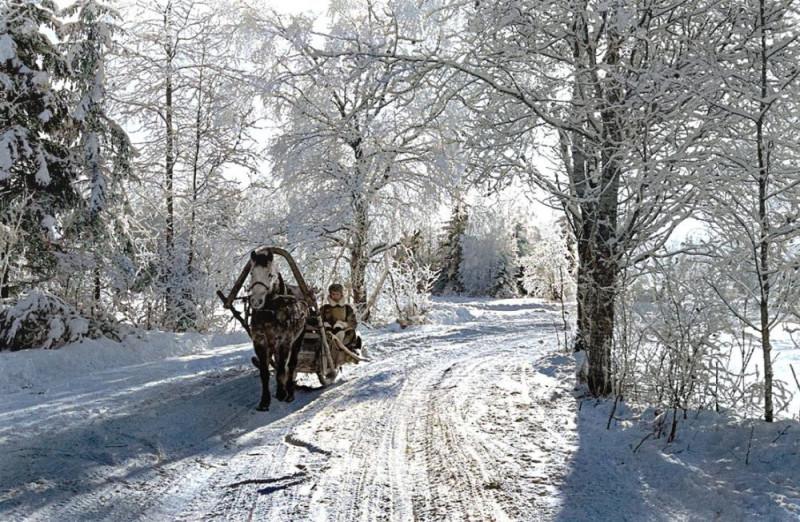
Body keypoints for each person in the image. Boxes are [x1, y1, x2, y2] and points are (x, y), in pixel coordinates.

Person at [321, 283, 361, 352]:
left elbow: (353, 323)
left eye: (337, 294)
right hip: (327, 334)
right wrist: (326, 325)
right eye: (333, 294)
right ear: (330, 294)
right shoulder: (325, 308)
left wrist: (341, 325)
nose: (335, 296)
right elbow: (318, 320)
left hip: (344, 334)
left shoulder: (347, 308)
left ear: (341, 294)